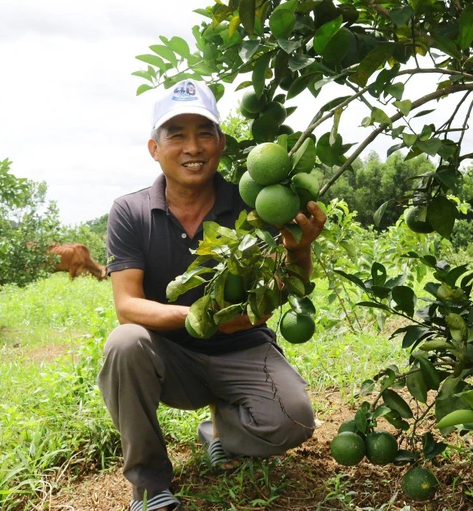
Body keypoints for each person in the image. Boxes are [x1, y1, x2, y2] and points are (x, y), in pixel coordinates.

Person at [99, 79, 327, 511]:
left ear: (221, 144)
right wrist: (199, 318)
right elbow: (127, 306)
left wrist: (300, 247)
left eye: (204, 133)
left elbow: (282, 287)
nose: (193, 147)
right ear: (154, 147)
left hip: (242, 347)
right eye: (177, 135)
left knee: (294, 420)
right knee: (124, 342)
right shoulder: (129, 211)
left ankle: (219, 430)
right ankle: (149, 484)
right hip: (171, 357)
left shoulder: (253, 204)